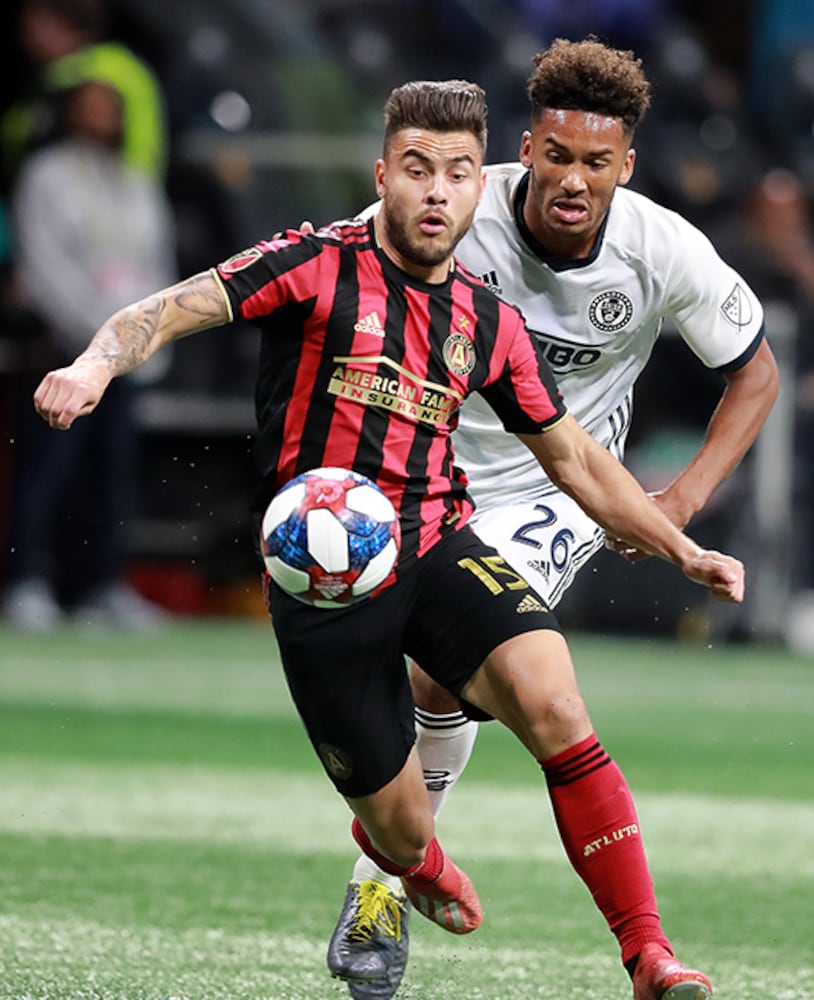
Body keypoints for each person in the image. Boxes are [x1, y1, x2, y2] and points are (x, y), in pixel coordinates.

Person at [34, 79, 743, 1000]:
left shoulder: (487, 321)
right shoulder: (314, 264)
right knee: (402, 832)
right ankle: (416, 861)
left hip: (439, 544)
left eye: (457, 172)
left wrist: (682, 547)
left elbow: (573, 457)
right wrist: (92, 366)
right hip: (321, 581)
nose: (437, 192)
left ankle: (649, 955)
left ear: (479, 186)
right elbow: (167, 309)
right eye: (417, 169)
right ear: (383, 178)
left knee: (558, 706)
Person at [326, 39, 778, 1000]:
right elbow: (340, 284)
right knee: (435, 684)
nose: (574, 180)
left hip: (559, 487)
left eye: (597, 162)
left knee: (460, 675)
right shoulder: (456, 206)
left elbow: (757, 373)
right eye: (558, 155)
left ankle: (388, 886)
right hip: (424, 468)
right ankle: (397, 865)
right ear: (526, 149)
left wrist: (678, 503)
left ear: (627, 166)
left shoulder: (662, 249)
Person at [1, 76, 176, 629]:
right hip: (63, 347)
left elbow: (159, 264)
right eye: (90, 107)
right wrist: (92, 334)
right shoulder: (46, 175)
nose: (102, 118)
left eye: (110, 108)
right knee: (47, 467)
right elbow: (43, 262)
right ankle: (26, 582)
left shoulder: (134, 180)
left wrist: (145, 337)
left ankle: (100, 585)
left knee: (111, 473)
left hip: (124, 357)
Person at [0, 0, 167, 191]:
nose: (25, 29)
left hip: (113, 196)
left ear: (63, 21)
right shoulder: (42, 79)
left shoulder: (104, 70)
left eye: (34, 18)